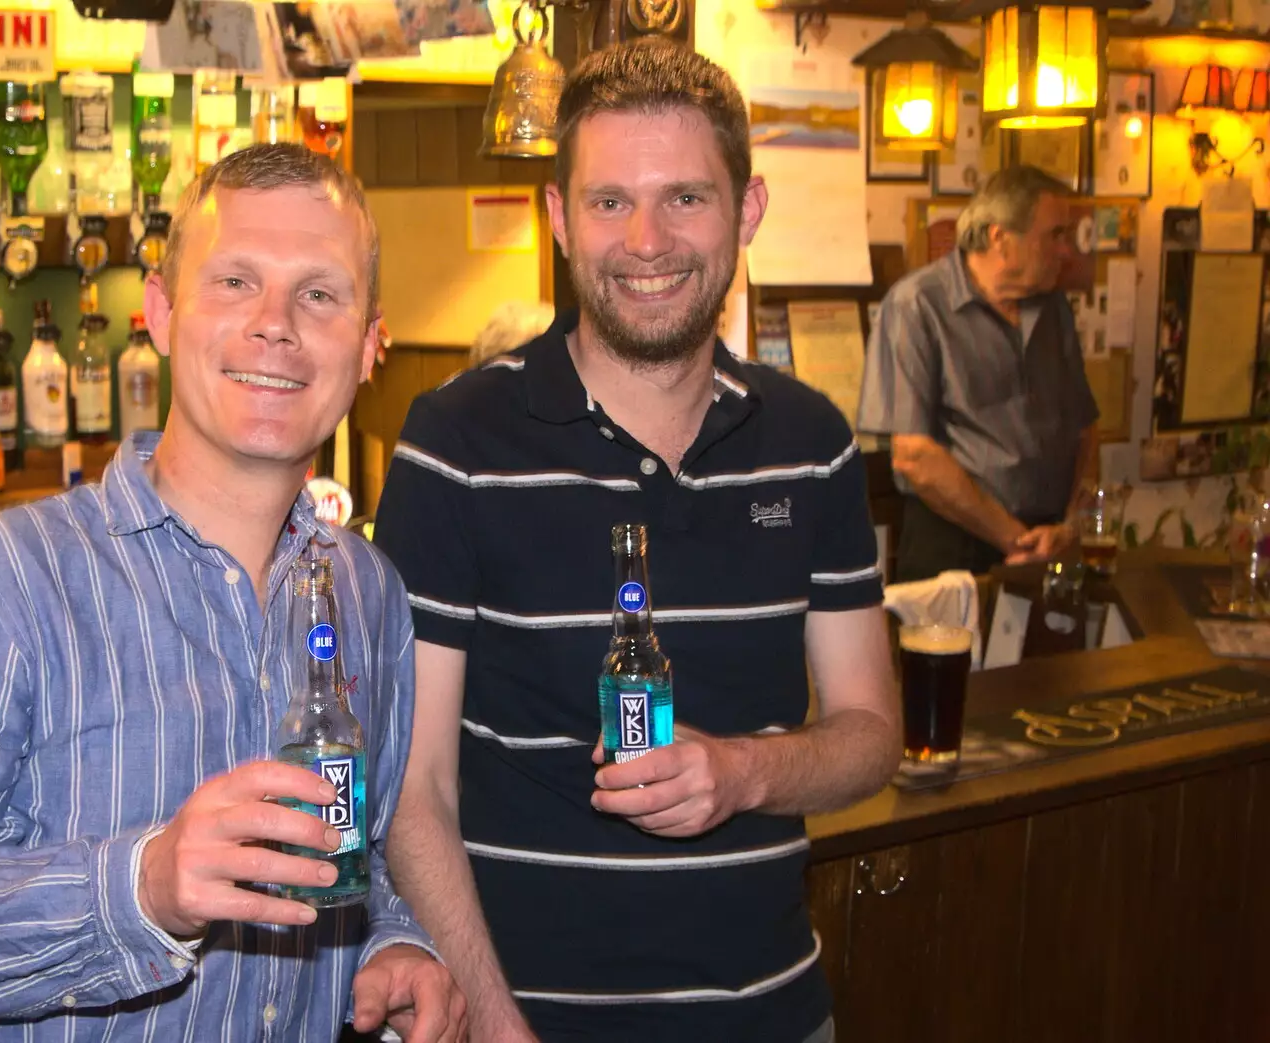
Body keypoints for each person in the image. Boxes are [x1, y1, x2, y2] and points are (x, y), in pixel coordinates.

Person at [0, 144, 466, 1043]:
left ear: (367, 346)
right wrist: (143, 885)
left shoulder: (369, 597)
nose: (276, 324)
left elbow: (354, 861)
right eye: (236, 281)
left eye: (319, 294)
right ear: (161, 313)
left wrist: (394, 944)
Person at [374, 40, 899, 1043]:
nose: (647, 239)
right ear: (560, 219)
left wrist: (744, 771)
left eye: (686, 199)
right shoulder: (456, 443)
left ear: (746, 211)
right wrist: (494, 1025)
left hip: (772, 1015)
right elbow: (412, 787)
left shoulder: (812, 442)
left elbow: (870, 732)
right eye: (610, 201)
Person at [858, 165, 1100, 583]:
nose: (1066, 251)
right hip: (955, 548)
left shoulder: (1054, 309)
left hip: (1048, 547)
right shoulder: (918, 306)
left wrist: (1070, 526)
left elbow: (1085, 428)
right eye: (1054, 235)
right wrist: (1015, 539)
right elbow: (914, 455)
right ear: (1000, 238)